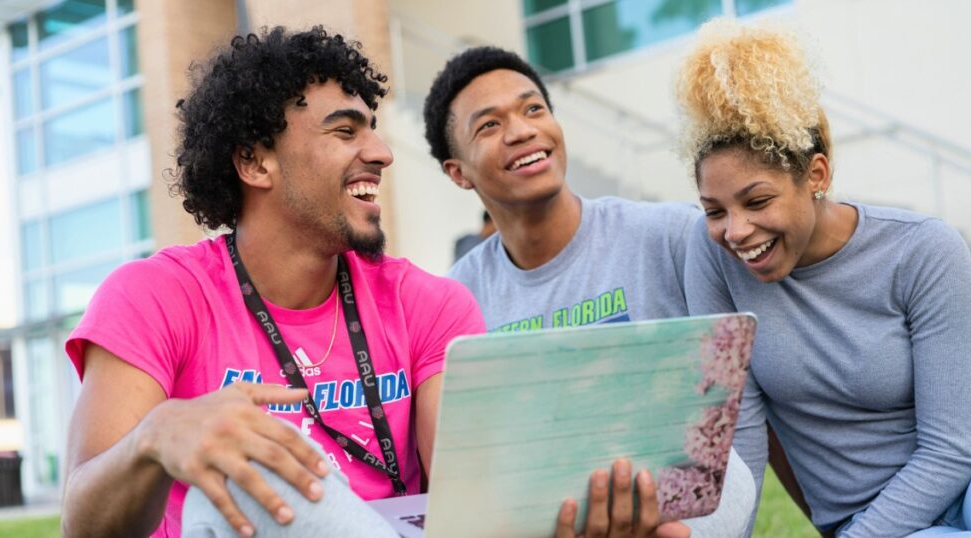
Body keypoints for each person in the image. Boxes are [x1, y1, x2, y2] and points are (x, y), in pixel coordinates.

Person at [61, 26, 485, 537]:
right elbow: (83, 527)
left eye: (372, 129)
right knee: (241, 473)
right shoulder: (154, 297)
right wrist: (154, 437)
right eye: (346, 132)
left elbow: (475, 504)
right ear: (254, 161)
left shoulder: (431, 304)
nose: (381, 152)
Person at [679, 19, 971, 537]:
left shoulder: (922, 248)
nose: (736, 231)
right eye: (714, 210)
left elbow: (950, 448)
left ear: (817, 175)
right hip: (870, 520)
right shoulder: (711, 257)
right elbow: (736, 440)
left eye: (758, 201)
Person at [423, 46, 755, 537]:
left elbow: (738, 428)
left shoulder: (671, 237)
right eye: (489, 126)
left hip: (678, 515)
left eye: (533, 108)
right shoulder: (454, 300)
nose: (521, 130)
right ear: (458, 172)